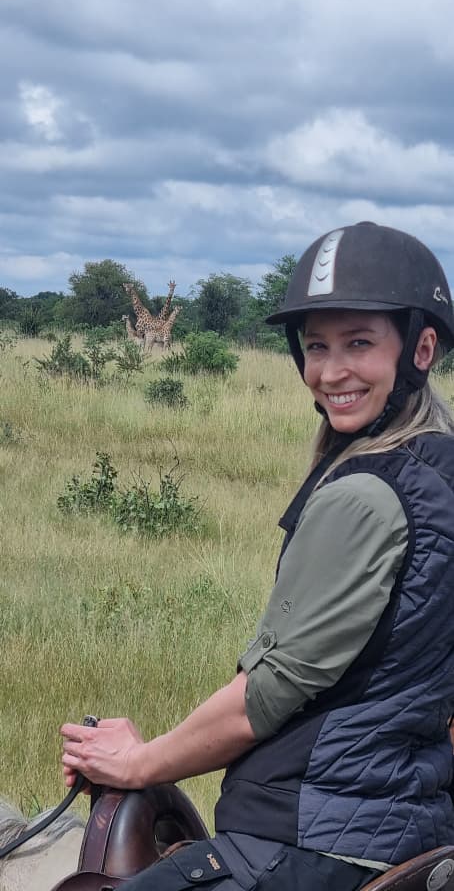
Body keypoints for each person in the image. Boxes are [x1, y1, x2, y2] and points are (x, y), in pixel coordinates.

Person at [61, 221, 454, 890]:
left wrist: (137, 762)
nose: (331, 371)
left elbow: (264, 697)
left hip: (311, 840)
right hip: (412, 827)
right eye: (317, 345)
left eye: (359, 343)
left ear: (420, 348)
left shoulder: (364, 495)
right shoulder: (440, 471)